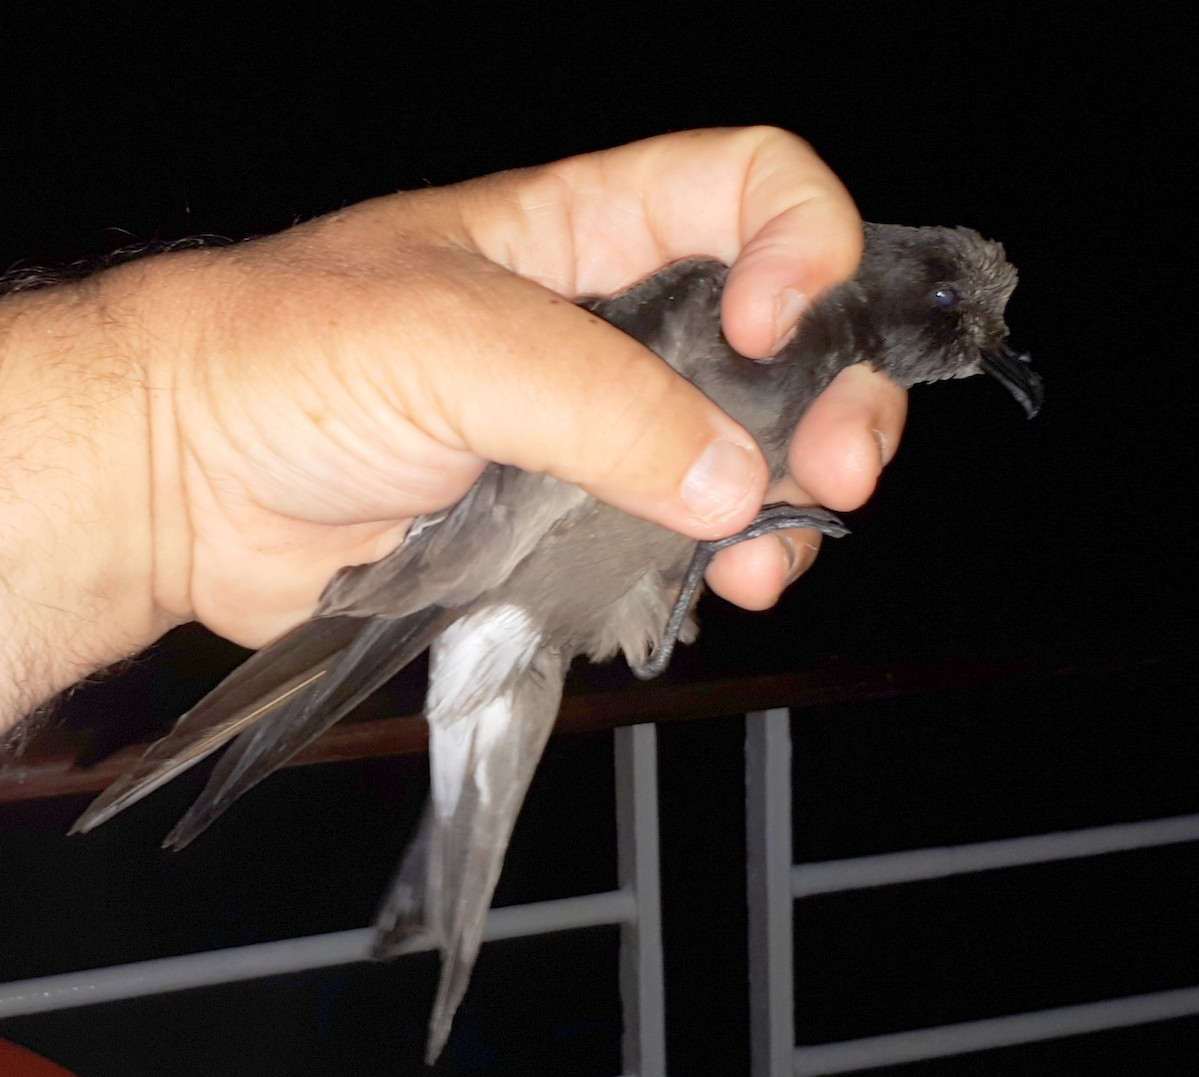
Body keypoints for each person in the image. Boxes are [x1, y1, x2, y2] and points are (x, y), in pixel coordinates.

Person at [0, 127, 906, 735]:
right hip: (465, 574)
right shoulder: (735, 296)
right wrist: (173, 437)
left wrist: (172, 448)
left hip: (489, 582)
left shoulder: (773, 331)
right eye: (947, 303)